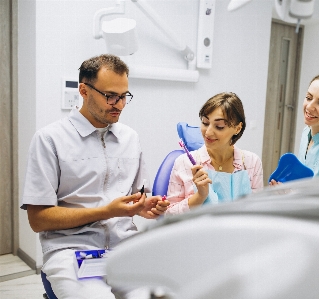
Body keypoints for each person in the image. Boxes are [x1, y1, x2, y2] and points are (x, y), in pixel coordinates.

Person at [21, 54, 169, 299]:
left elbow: (135, 200)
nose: (119, 105)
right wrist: (106, 212)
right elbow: (38, 219)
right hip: (72, 251)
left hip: (124, 248)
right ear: (84, 90)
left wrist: (143, 208)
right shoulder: (50, 139)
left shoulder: (130, 138)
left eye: (124, 97)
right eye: (111, 96)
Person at [165, 92, 264, 215]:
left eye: (219, 126)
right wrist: (200, 196)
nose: (208, 132)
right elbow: (168, 215)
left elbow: (257, 211)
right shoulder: (184, 162)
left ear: (237, 128)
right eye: (205, 123)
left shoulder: (251, 162)